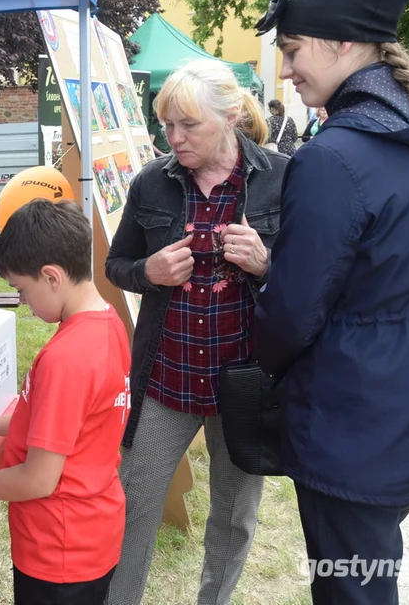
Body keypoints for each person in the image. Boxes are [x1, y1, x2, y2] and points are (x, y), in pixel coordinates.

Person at [253, 0, 409, 604]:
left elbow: (292, 314)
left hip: (350, 424)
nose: (285, 69)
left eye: (293, 49)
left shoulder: (333, 158)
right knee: (367, 570)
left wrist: (256, 356)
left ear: (344, 42)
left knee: (349, 586)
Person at [103, 59, 290, 605]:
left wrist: (267, 264)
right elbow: (117, 264)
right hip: (169, 377)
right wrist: (147, 274)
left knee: (234, 517)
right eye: (167, 126)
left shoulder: (282, 177)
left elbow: (312, 277)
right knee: (135, 503)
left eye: (189, 125)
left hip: (244, 382)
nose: (175, 138)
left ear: (230, 116)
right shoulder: (152, 183)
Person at [0, 198, 131, 605]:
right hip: (91, 534)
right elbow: (67, 423)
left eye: (22, 290)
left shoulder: (66, 359)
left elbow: (39, 479)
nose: (23, 301)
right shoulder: (108, 323)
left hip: (58, 550)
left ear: (52, 276)